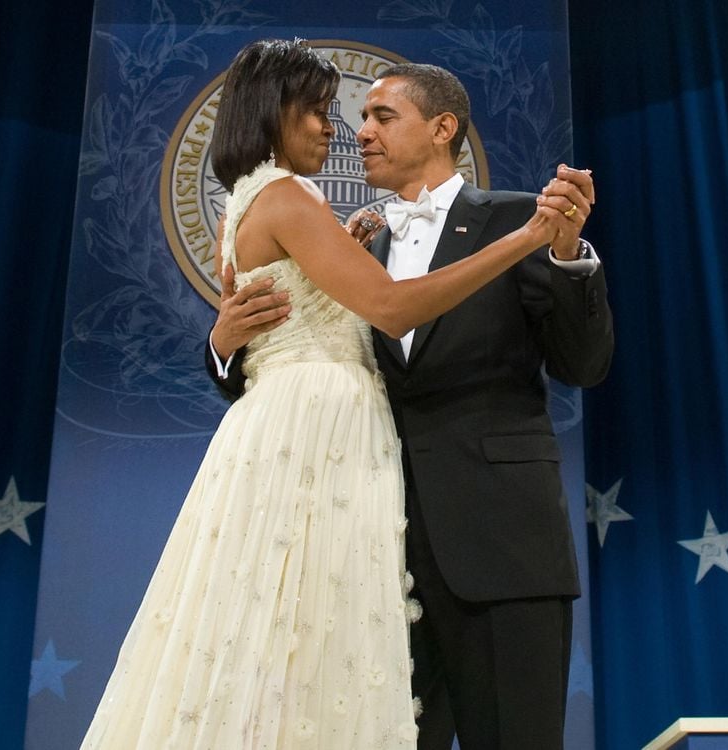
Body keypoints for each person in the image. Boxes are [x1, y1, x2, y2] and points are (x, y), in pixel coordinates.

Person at [82, 40, 578, 749]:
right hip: (315, 450)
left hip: (421, 504)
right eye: (318, 111)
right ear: (271, 112)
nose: (336, 129)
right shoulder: (287, 196)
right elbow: (392, 308)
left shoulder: (260, 205)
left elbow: (305, 309)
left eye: (354, 113)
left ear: (442, 131)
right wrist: (530, 236)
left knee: (295, 660)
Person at [207, 62, 613, 750]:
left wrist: (568, 254)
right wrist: (220, 344)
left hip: (502, 548)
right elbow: (295, 362)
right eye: (359, 118)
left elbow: (584, 364)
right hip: (372, 563)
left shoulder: (523, 218)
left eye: (381, 118)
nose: (358, 133)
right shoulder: (352, 242)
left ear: (442, 128)